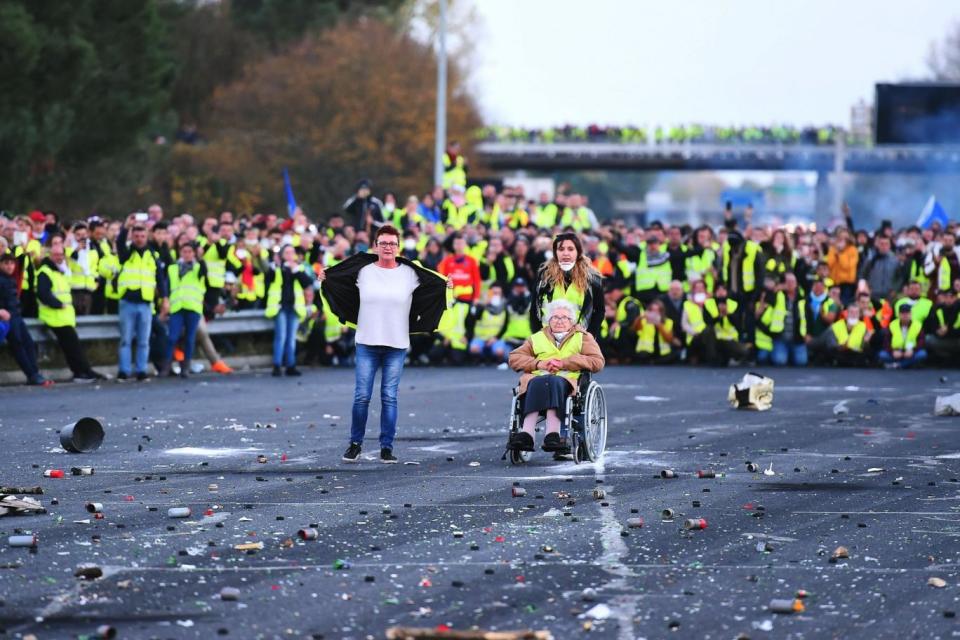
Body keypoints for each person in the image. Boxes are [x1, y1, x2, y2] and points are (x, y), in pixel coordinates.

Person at [319, 225, 449, 464]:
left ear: (398, 248)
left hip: (396, 343)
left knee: (389, 396)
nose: (388, 247)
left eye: (392, 243)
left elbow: (433, 283)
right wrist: (327, 278)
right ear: (376, 246)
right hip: (367, 342)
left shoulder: (410, 274)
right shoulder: (363, 271)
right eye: (383, 243)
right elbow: (340, 281)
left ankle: (386, 447)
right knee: (362, 396)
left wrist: (445, 286)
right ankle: (355, 444)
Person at [507, 299, 604, 454]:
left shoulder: (583, 337)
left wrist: (564, 363)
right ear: (548, 320)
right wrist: (539, 364)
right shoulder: (537, 337)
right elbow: (514, 357)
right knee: (538, 381)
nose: (559, 321)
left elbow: (597, 361)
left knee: (553, 381)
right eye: (555, 317)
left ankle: (553, 433)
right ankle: (526, 434)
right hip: (538, 378)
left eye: (564, 317)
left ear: (572, 321)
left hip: (567, 380)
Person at [36, 241, 104, 382]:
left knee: (72, 346)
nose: (59, 257)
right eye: (56, 255)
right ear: (49, 256)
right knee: (73, 347)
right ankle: (82, 372)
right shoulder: (45, 272)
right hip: (53, 315)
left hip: (63, 316)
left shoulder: (60, 270)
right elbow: (43, 293)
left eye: (61, 254)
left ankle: (84, 371)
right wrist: (58, 304)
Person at [117, 216, 166, 381]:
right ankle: (124, 371)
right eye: (136, 236)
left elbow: (160, 278)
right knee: (126, 340)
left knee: (144, 341)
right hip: (128, 302)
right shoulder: (127, 253)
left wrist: (164, 298)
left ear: (147, 237)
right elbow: (119, 243)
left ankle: (141, 370)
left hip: (145, 303)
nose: (139, 239)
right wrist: (126, 227)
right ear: (132, 237)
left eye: (142, 236)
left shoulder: (152, 255)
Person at [531, 232, 604, 340]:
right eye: (561, 249)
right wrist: (539, 337)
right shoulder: (544, 276)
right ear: (555, 253)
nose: (565, 253)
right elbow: (534, 309)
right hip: (547, 340)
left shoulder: (592, 279)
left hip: (578, 340)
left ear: (578, 252)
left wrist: (589, 337)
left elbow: (599, 311)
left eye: (570, 249)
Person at [264, 245, 316, 377]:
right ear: (282, 255)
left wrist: (296, 270)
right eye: (287, 252)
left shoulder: (298, 268)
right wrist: (276, 265)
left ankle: (290, 366)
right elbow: (268, 278)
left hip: (294, 307)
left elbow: (308, 283)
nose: (290, 255)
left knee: (291, 338)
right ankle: (277, 366)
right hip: (279, 306)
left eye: (292, 252)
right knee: (281, 337)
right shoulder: (276, 267)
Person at [0, 252, 50, 386]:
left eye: (12, 263)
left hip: (16, 316)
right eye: (6, 263)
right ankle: (32, 375)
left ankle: (34, 374)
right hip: (7, 318)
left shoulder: (10, 279)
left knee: (28, 343)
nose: (10, 266)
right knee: (18, 346)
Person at [161, 241, 207, 378]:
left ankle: (185, 367)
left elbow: (205, 272)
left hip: (193, 307)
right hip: (177, 307)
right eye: (184, 252)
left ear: (194, 254)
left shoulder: (198, 268)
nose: (187, 255)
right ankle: (166, 366)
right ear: (180, 253)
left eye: (190, 252)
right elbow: (167, 286)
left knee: (189, 338)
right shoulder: (173, 268)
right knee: (172, 337)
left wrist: (200, 257)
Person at [879, 305, 927, 369]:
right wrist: (892, 351)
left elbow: (921, 342)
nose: (905, 315)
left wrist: (913, 350)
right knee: (882, 355)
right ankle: (907, 364)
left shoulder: (917, 325)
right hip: (896, 352)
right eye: (903, 313)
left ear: (911, 314)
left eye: (907, 313)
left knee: (922, 354)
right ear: (899, 314)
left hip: (911, 352)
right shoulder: (893, 325)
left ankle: (898, 365)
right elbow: (886, 341)